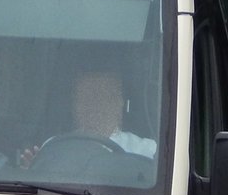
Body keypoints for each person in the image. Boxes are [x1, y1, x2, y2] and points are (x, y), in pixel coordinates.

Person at [19, 69, 156, 167]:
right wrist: (33, 172)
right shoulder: (53, 146)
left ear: (120, 103)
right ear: (74, 105)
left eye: (103, 96)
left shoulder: (146, 150)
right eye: (86, 98)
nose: (95, 104)